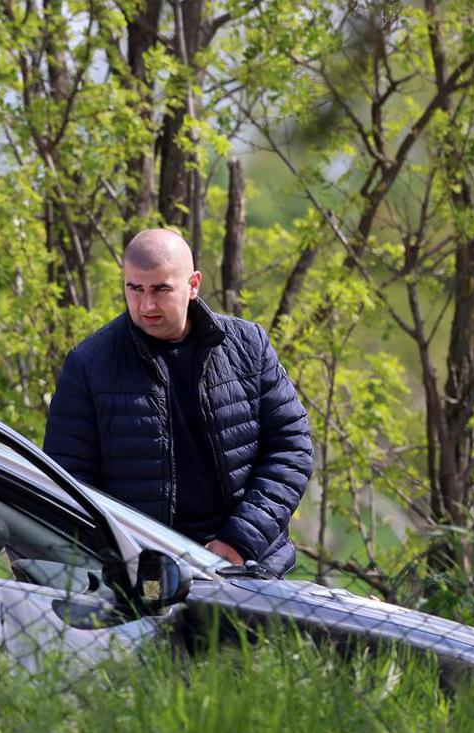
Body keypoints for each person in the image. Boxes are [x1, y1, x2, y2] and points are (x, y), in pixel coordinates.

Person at [44, 228, 312, 575]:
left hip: (250, 565)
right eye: (134, 289)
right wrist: (125, 561)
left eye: (161, 289)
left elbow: (291, 449)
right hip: (144, 573)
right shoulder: (90, 364)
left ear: (194, 284)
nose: (146, 305)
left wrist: (238, 541)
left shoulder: (248, 346)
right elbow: (70, 482)